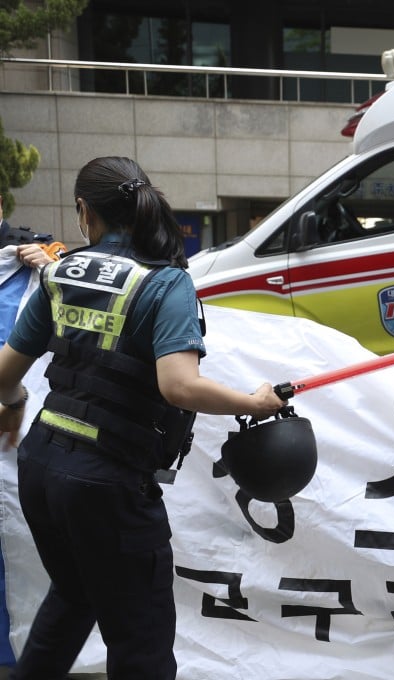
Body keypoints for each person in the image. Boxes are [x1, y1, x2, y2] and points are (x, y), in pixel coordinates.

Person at [0, 156, 286, 679]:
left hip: (41, 469)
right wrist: (255, 402)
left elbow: (3, 376)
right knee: (142, 643)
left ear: (85, 211)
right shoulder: (165, 284)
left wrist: (17, 401)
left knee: (72, 597)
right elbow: (178, 386)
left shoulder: (58, 274)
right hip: (106, 483)